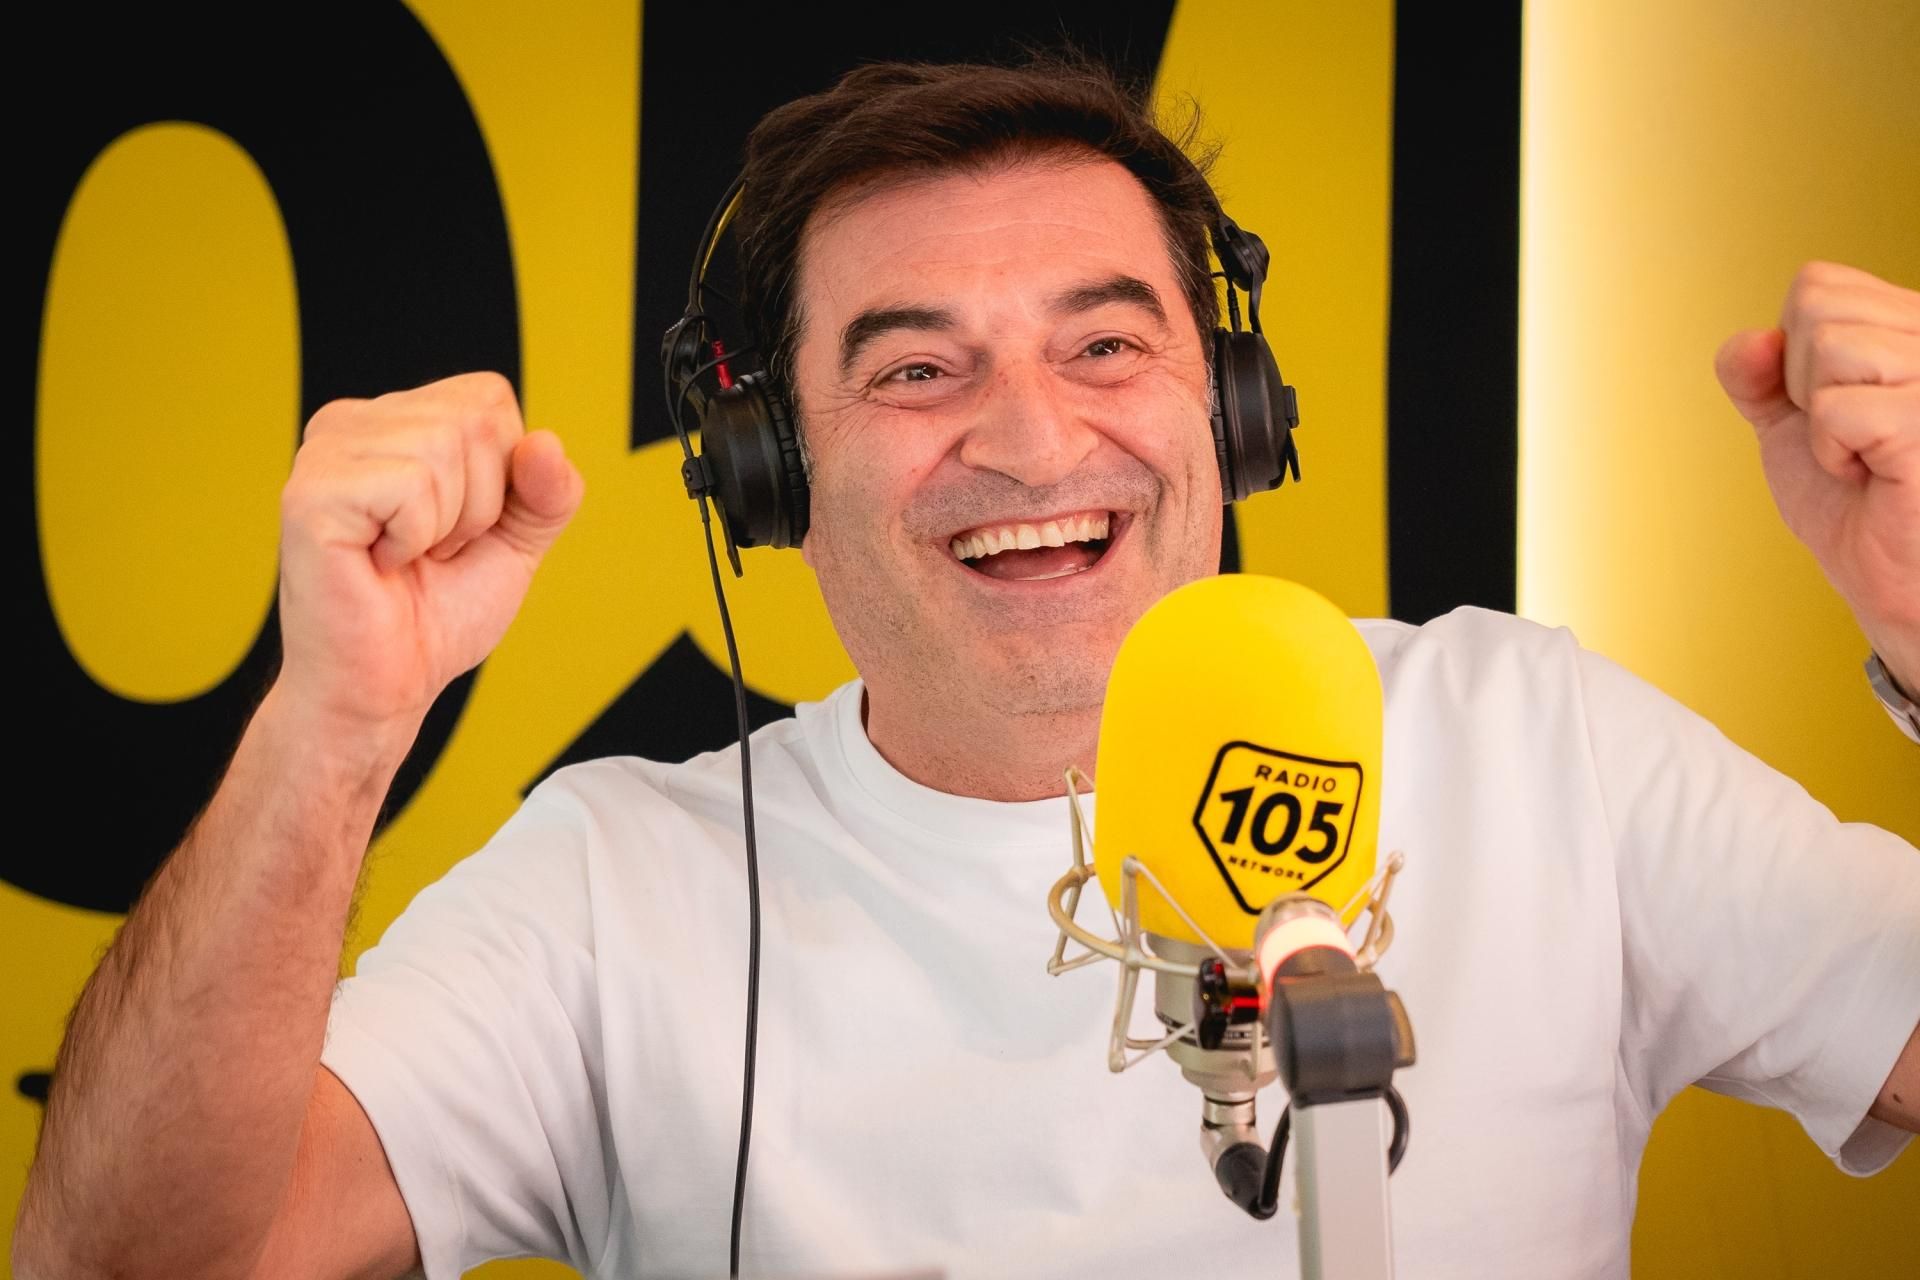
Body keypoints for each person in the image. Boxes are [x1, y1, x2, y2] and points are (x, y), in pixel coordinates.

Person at [13, 56, 1919, 1280]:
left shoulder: (1530, 736)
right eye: (917, 369)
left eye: (1107, 345)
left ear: (1232, 407)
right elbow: (133, 1267)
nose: (1030, 440)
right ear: (771, 474)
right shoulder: (615, 888)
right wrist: (334, 729)